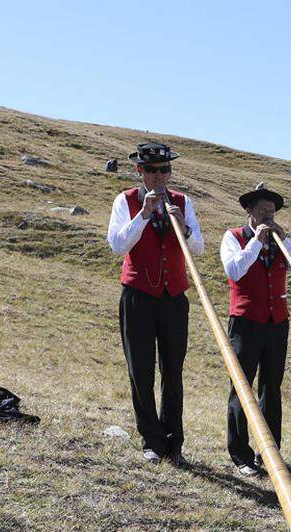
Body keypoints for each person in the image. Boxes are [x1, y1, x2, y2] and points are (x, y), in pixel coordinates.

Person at [107, 142, 204, 465]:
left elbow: (199, 248)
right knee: (141, 369)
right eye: (152, 170)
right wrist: (144, 216)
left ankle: (174, 441)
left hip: (174, 297)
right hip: (137, 296)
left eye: (165, 170)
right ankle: (152, 440)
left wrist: (186, 229)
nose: (159, 176)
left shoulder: (182, 201)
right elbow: (118, 245)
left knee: (173, 370)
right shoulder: (126, 200)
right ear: (140, 172)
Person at [220, 183, 291, 477]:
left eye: (272, 213)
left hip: (277, 323)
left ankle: (270, 453)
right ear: (249, 212)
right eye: (262, 212)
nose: (268, 218)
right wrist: (256, 242)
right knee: (242, 387)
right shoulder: (233, 237)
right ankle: (240, 453)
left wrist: (288, 242)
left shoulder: (281, 242)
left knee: (271, 388)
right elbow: (235, 270)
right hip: (245, 322)